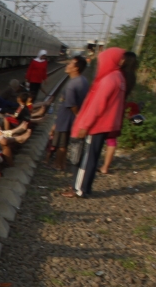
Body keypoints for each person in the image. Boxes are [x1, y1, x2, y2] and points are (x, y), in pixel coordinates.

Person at [66, 46, 126, 198]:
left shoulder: (108, 80)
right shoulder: (119, 77)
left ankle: (79, 189)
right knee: (92, 157)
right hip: (104, 125)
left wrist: (85, 125)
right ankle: (85, 187)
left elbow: (97, 106)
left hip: (96, 125)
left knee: (86, 159)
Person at [99, 53, 138, 175]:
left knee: (99, 136)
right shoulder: (132, 76)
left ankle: (98, 162)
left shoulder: (118, 74)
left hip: (110, 107)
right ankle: (106, 166)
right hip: (120, 108)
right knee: (112, 139)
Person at [47, 56, 89, 170]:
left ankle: (58, 165)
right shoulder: (83, 80)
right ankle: (63, 163)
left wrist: (78, 116)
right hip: (70, 117)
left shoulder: (71, 84)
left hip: (66, 117)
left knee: (61, 143)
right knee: (64, 142)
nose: (67, 65)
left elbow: (71, 104)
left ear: (76, 68)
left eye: (70, 64)